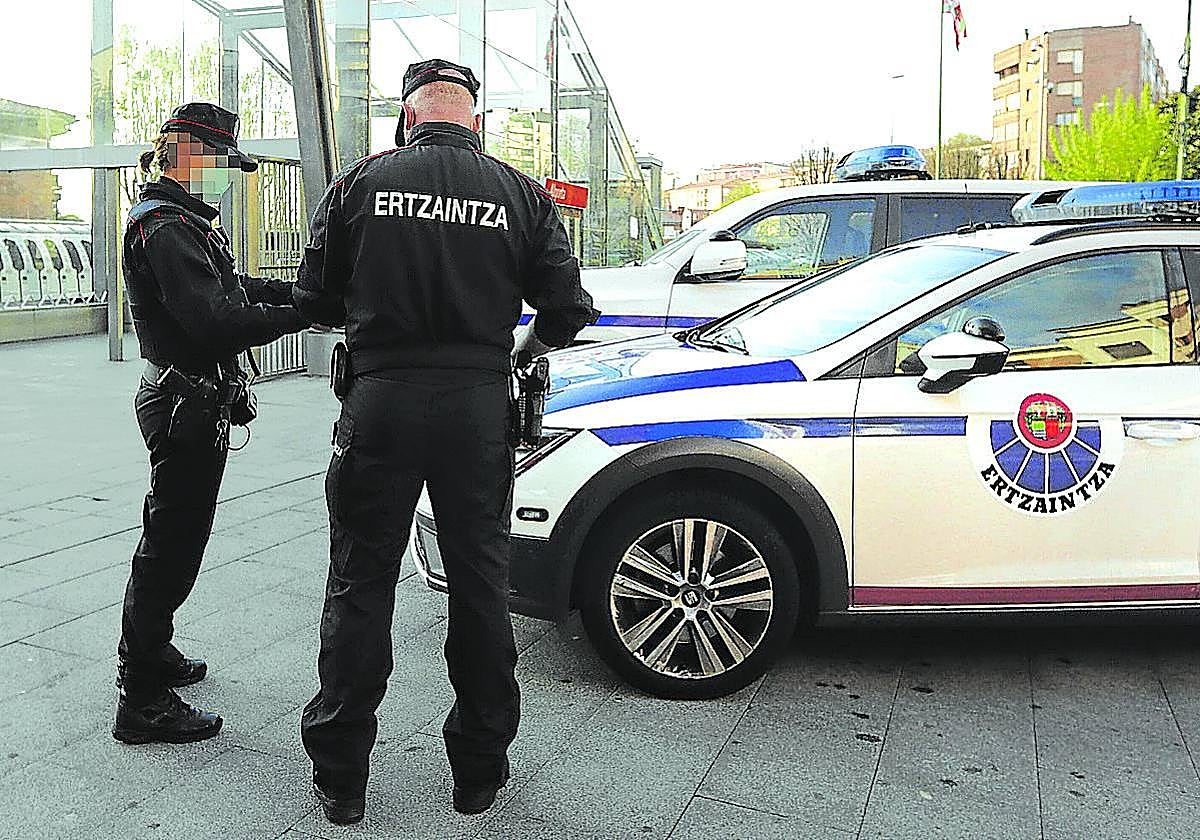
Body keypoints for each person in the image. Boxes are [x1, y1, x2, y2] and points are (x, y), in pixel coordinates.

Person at [295, 59, 596, 825]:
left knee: (360, 584)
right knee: (480, 586)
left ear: (406, 118)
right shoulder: (519, 192)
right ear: (476, 120)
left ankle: (342, 778)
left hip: (380, 402)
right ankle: (479, 771)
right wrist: (521, 351)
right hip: (475, 409)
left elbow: (319, 295)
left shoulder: (360, 183)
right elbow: (567, 306)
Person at [113, 103, 309, 745]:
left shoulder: (184, 222)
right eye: (222, 163)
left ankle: (154, 647)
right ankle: (141, 697)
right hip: (182, 407)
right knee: (171, 544)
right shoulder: (166, 227)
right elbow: (216, 321)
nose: (227, 176)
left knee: (177, 537)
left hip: (190, 402)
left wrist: (294, 293)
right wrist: (301, 318)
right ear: (186, 152)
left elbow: (232, 286)